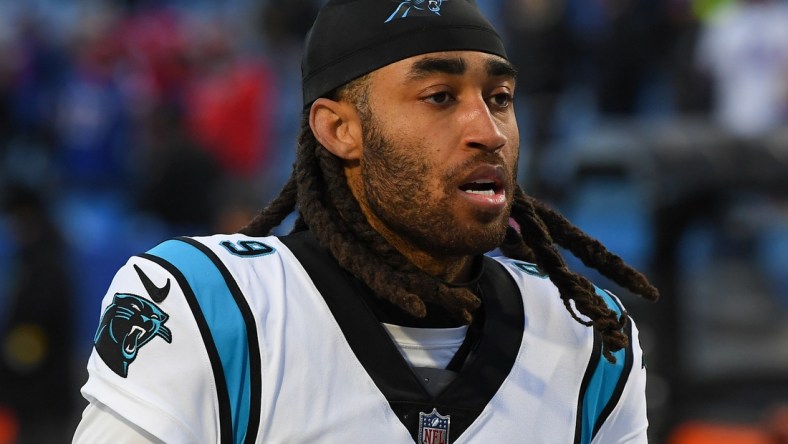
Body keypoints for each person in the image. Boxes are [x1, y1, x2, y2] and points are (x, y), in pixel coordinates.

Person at [72, 1, 659, 442]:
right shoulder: (210, 305)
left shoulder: (589, 337)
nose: (490, 131)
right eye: (439, 96)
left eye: (500, 97)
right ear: (339, 129)